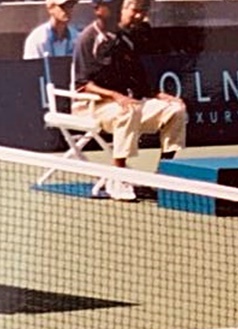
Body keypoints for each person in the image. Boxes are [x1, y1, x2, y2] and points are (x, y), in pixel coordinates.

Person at [72, 0, 187, 201]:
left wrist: (161, 96)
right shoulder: (88, 38)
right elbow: (83, 83)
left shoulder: (126, 39)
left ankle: (164, 176)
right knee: (129, 111)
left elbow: (140, 84)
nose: (139, 16)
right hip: (90, 105)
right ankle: (118, 177)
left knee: (175, 111)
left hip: (123, 104)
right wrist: (116, 96)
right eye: (134, 10)